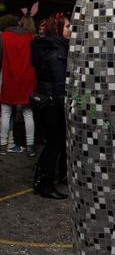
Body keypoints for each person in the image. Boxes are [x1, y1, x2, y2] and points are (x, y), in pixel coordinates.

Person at [30, 13, 71, 199]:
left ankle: (43, 178)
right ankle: (44, 185)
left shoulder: (47, 46)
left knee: (54, 143)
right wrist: (65, 105)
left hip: (46, 100)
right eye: (67, 26)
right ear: (57, 28)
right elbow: (59, 83)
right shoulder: (57, 51)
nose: (70, 30)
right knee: (53, 144)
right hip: (53, 103)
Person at [0, 14, 36, 156]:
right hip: (28, 79)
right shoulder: (30, 37)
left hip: (9, 79)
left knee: (5, 113)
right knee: (28, 113)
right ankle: (30, 147)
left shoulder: (3, 37)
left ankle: (3, 145)